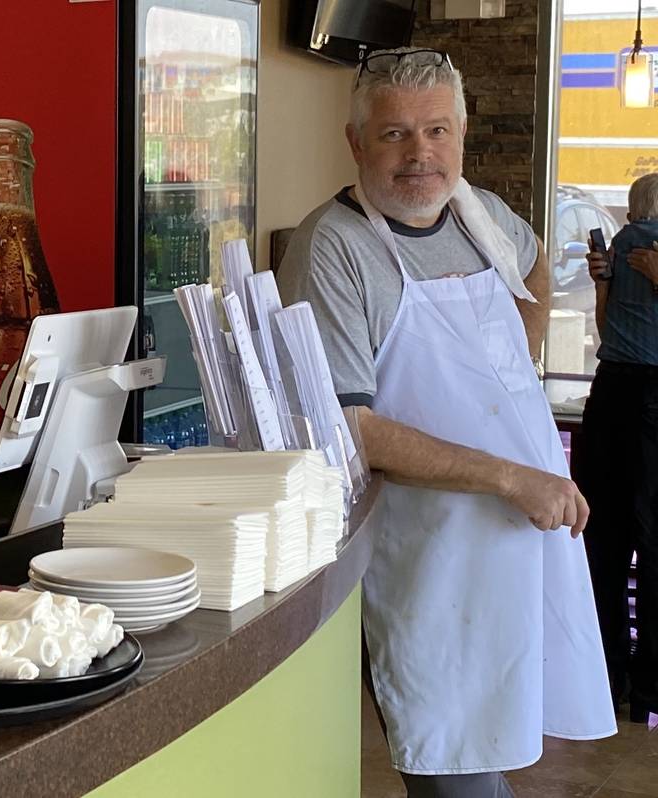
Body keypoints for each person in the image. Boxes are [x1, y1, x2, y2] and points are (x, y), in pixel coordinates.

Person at [276, 48, 616, 797]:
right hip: (427, 555)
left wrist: (518, 359)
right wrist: (508, 475)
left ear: (460, 132)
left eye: (437, 130)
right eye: (395, 134)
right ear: (356, 142)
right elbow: (348, 428)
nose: (420, 154)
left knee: (508, 734)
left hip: (518, 538)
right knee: (451, 765)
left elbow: (533, 265)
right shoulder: (334, 247)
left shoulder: (480, 212)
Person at [575, 172, 658, 723]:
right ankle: (623, 682)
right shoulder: (638, 248)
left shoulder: (632, 245)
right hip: (623, 388)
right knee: (614, 538)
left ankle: (616, 678)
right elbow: (608, 329)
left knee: (617, 540)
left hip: (626, 392)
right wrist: (604, 284)